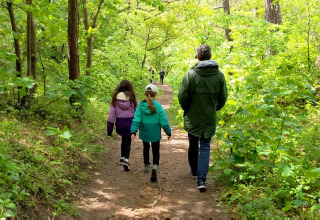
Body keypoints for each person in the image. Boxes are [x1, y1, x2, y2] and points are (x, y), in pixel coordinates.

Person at [178, 44, 228, 192]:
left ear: (198, 57)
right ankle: (201, 179)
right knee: (205, 146)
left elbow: (182, 96)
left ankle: (194, 171)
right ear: (210, 56)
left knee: (193, 143)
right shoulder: (219, 76)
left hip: (193, 116)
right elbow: (223, 97)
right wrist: (215, 108)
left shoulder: (190, 74)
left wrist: (186, 107)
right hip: (209, 116)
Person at [131, 84, 171, 182]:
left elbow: (136, 119)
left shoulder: (140, 105)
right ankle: (155, 166)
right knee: (156, 149)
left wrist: (133, 131)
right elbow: (164, 121)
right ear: (155, 94)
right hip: (155, 132)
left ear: (146, 93)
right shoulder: (158, 106)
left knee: (145, 147)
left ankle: (146, 165)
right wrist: (168, 132)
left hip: (145, 131)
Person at [107, 79, 137, 171]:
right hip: (130, 123)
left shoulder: (115, 99)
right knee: (128, 141)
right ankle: (126, 159)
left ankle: (122, 158)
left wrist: (109, 129)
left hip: (120, 123)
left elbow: (111, 115)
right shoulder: (132, 99)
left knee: (124, 139)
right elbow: (137, 112)